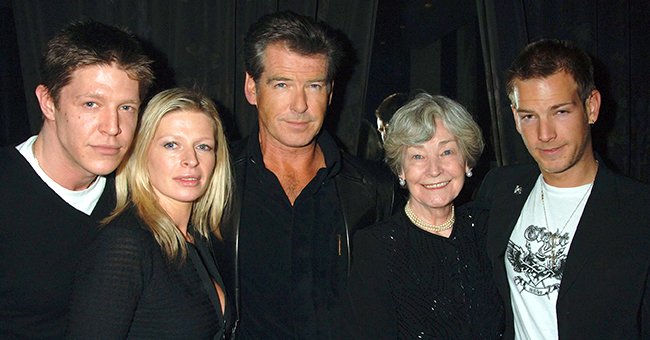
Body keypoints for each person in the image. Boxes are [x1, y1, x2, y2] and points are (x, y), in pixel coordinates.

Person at [213, 10, 397, 338]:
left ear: (330, 93)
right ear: (252, 89)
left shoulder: (375, 189)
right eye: (282, 84)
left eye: (313, 85)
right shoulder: (212, 180)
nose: (299, 105)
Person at [475, 39, 650, 339]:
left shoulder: (639, 211)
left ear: (591, 107)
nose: (545, 134)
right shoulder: (500, 188)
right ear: (516, 118)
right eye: (530, 116)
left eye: (560, 112)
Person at [0, 20, 153, 338]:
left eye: (126, 107)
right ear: (48, 103)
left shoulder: (140, 194)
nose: (112, 126)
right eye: (91, 104)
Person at [66, 88, 233, 338]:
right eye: (171, 145)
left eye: (203, 146)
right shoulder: (126, 244)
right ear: (142, 153)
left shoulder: (198, 238)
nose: (191, 160)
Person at [347, 93, 503, 339]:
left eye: (447, 152)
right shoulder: (375, 247)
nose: (434, 169)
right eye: (418, 156)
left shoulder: (490, 227)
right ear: (400, 169)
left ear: (467, 163)